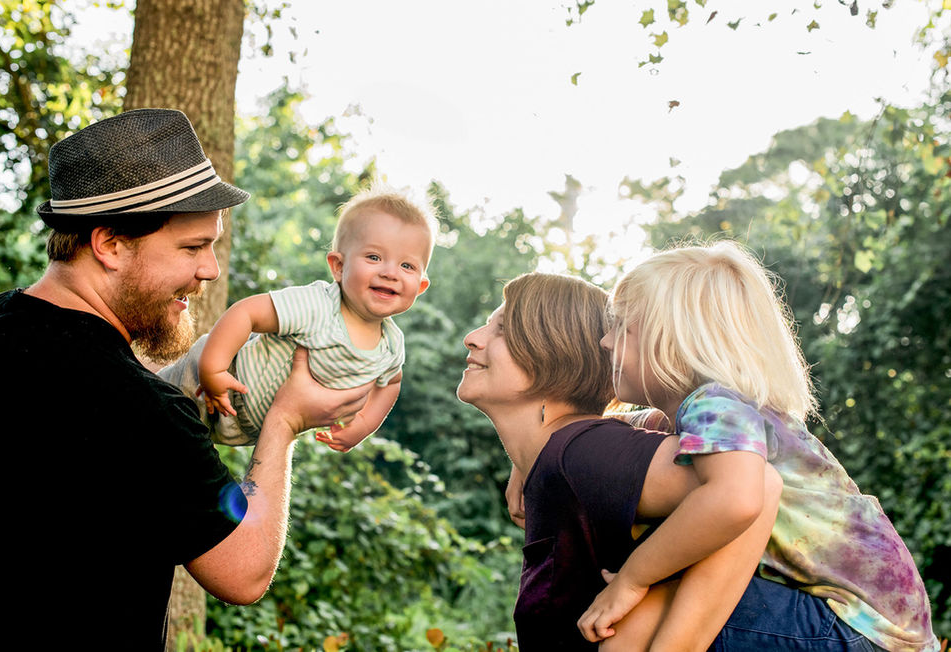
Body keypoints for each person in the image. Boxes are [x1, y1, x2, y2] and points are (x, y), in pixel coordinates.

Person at [0, 109, 370, 650]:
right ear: (110, 243)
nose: (209, 269)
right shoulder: (142, 410)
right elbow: (244, 571)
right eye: (192, 247)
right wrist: (284, 422)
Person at [577, 241, 939, 651]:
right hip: (876, 630)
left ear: (676, 340)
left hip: (852, 629)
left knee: (633, 623)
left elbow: (735, 499)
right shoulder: (731, 413)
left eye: (621, 326)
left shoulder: (714, 404)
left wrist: (632, 579)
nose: (606, 342)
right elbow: (626, 428)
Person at [458, 272, 786, 651]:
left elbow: (755, 483)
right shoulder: (571, 455)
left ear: (552, 351)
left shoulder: (584, 455)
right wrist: (527, 462)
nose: (473, 337)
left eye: (500, 329)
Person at [158, 186, 434, 450]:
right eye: (374, 257)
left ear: (420, 286)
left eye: (406, 265)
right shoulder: (319, 305)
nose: (390, 273)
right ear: (338, 266)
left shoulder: (392, 345)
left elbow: (391, 383)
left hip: (245, 428)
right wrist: (213, 370)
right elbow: (247, 313)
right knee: (149, 409)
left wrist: (361, 425)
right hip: (206, 379)